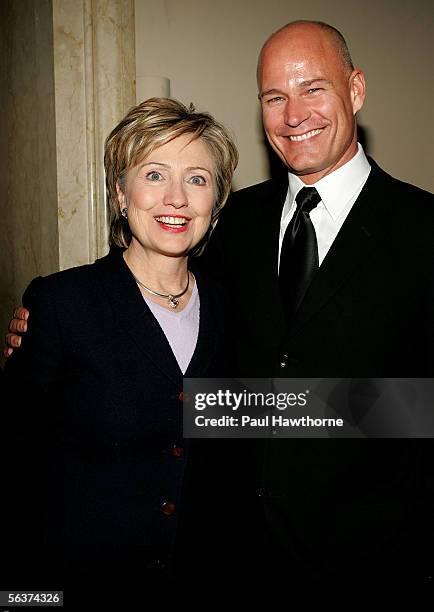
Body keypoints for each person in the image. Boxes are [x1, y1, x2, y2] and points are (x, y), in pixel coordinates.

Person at [6, 20, 434, 584]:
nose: (294, 113)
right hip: (231, 558)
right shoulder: (234, 225)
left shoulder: (424, 230)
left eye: (314, 88)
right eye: (274, 97)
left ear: (355, 90)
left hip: (369, 564)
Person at [1, 97, 238, 592]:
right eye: (154, 174)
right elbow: (15, 464)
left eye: (197, 178)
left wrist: (395, 409)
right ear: (120, 192)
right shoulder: (63, 303)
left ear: (214, 202)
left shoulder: (233, 308)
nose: (176, 198)